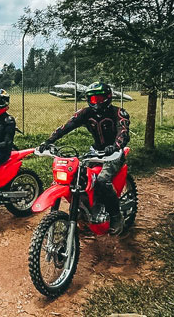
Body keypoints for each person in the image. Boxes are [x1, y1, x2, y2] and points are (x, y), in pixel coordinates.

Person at [39, 81, 130, 235]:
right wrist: (48, 141)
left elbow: (123, 132)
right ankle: (83, 212)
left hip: (114, 153)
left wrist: (115, 146)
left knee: (102, 181)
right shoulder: (85, 113)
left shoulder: (119, 112)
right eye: (93, 99)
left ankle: (116, 216)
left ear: (108, 97)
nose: (96, 102)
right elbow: (66, 126)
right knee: (78, 178)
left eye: (99, 98)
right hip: (95, 152)